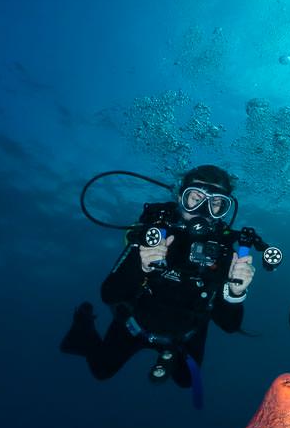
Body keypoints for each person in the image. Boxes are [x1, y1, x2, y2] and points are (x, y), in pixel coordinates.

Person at [60, 164, 255, 395]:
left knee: (186, 381)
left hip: (185, 335)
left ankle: (169, 357)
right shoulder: (154, 233)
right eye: (195, 198)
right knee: (101, 370)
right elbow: (109, 294)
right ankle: (83, 324)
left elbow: (230, 325)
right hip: (134, 325)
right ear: (180, 197)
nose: (203, 210)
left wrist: (236, 292)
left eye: (215, 204)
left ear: (224, 208)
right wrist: (140, 265)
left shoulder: (223, 253)